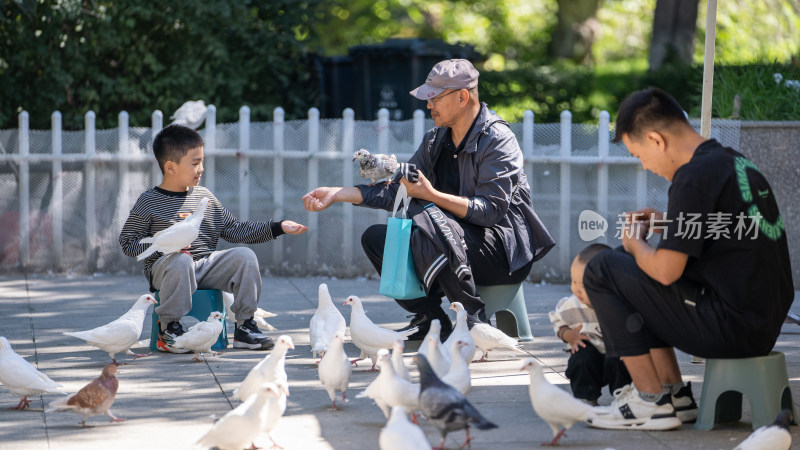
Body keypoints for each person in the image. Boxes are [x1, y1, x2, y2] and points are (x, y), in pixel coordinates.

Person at [583, 88, 794, 431]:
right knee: (629, 268)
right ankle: (674, 395)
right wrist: (668, 222)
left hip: (731, 327)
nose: (645, 166)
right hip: (760, 321)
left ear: (656, 139)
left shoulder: (693, 177)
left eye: (639, 155)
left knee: (603, 267)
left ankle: (649, 402)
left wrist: (636, 244)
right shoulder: (732, 163)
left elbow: (666, 272)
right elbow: (728, 235)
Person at [302, 59, 554, 340]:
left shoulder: (497, 139)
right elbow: (400, 189)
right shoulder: (435, 140)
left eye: (434, 97)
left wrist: (431, 196)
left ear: (462, 97)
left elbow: (491, 212)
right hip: (447, 238)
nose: (428, 105)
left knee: (429, 221)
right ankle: (431, 318)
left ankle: (473, 320)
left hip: (501, 252)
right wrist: (338, 194)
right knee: (377, 237)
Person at [119, 124, 308, 353]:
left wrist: (278, 227)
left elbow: (235, 229)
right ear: (170, 166)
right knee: (182, 260)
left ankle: (245, 327)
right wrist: (164, 248)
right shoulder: (149, 201)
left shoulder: (204, 197)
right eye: (195, 162)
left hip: (205, 266)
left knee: (244, 256)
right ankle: (168, 329)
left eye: (202, 161)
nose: (201, 168)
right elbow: (128, 242)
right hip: (169, 270)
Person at [549, 243, 631, 406]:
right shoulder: (572, 305)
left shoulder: (624, 304)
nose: (577, 290)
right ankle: (586, 397)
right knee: (581, 355)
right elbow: (559, 322)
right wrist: (567, 335)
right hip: (590, 355)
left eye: (584, 284)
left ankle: (625, 397)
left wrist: (632, 347)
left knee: (623, 360)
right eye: (574, 282)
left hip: (617, 355)